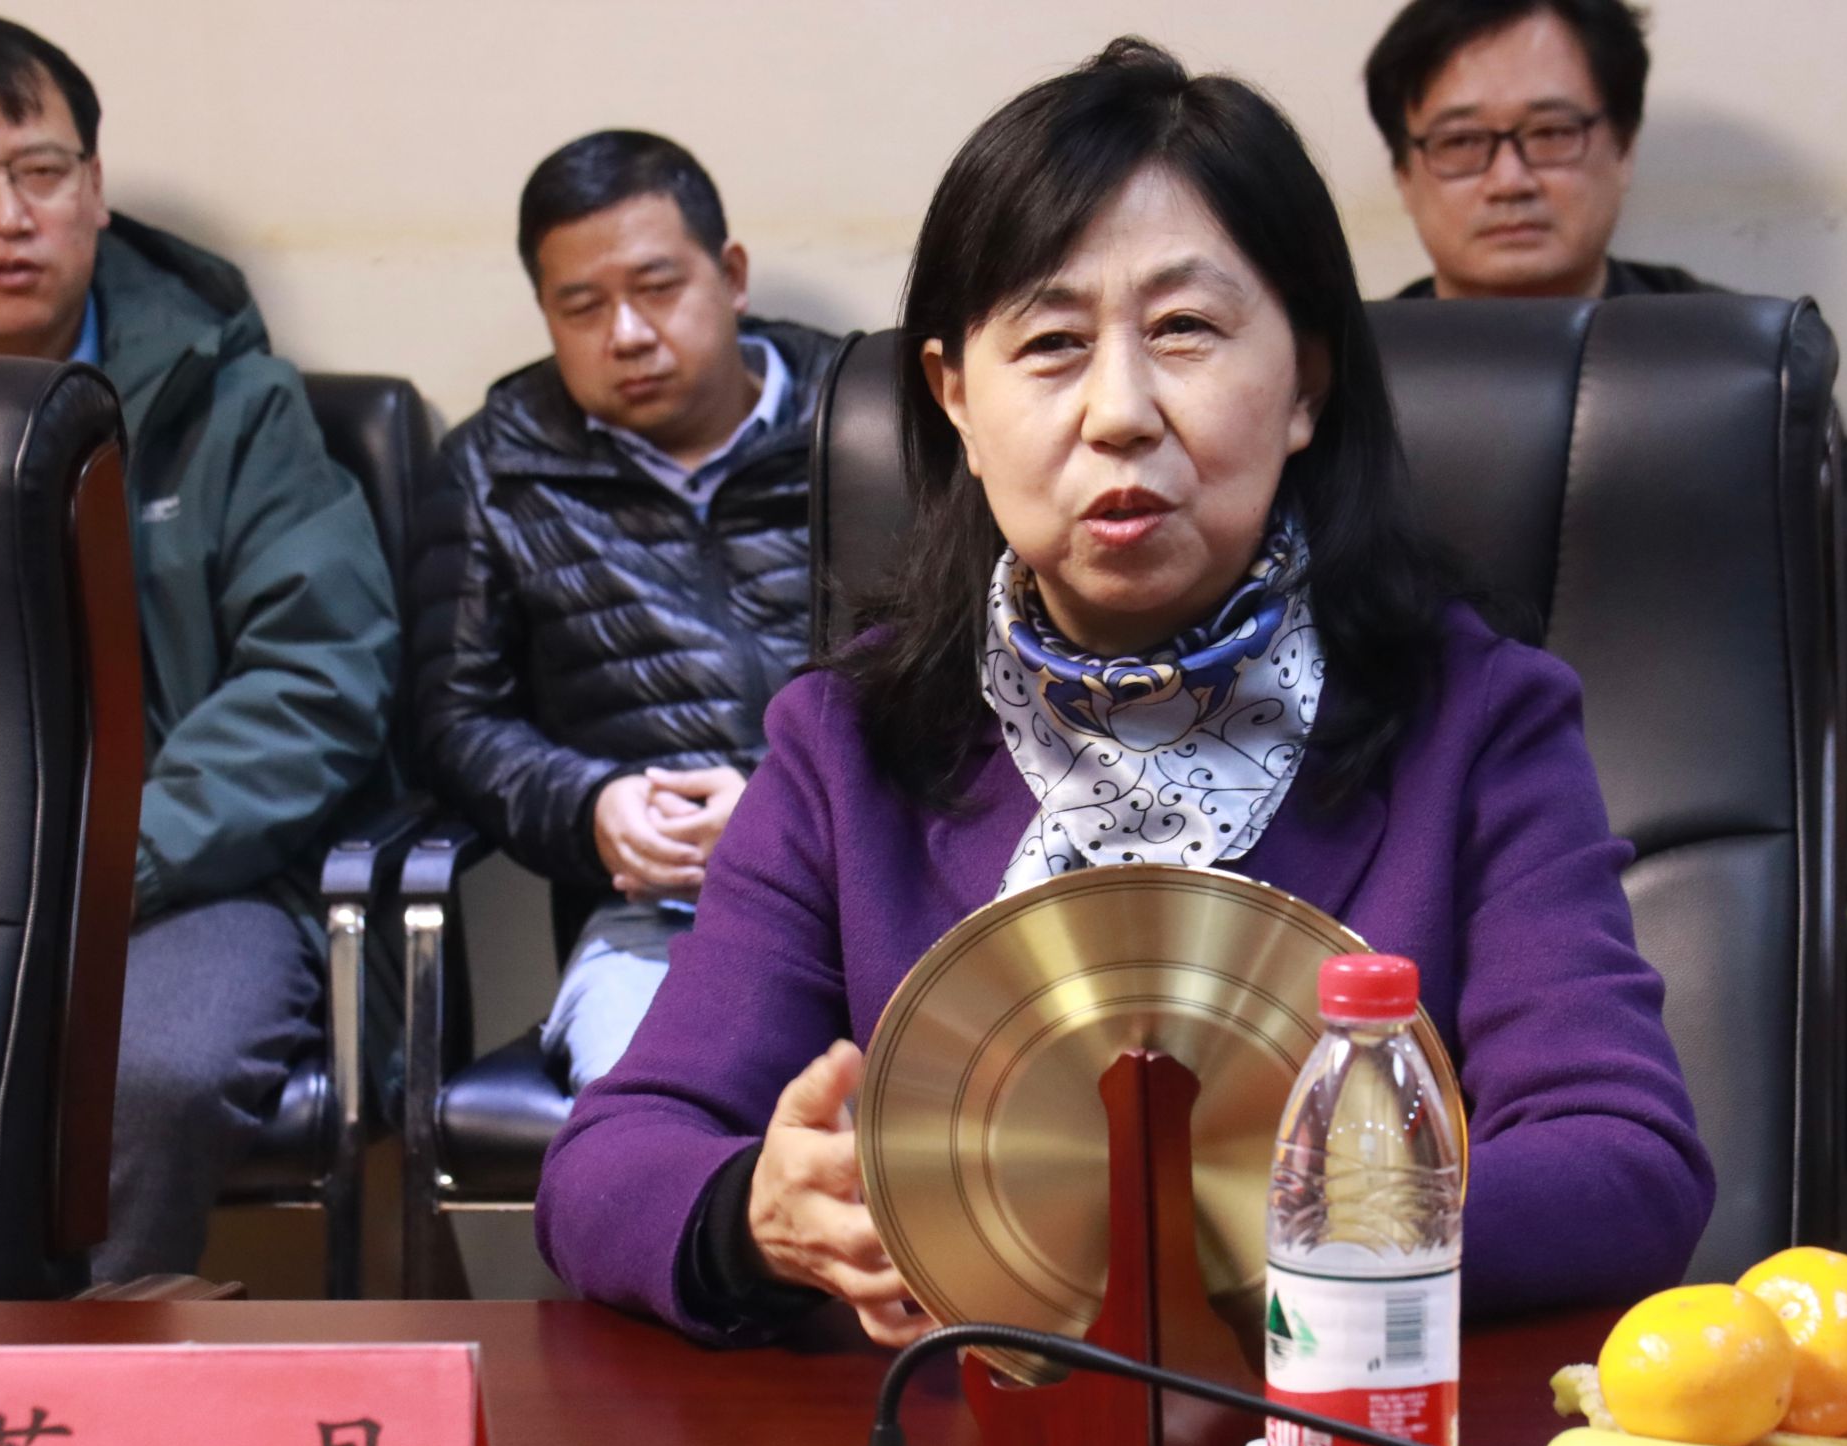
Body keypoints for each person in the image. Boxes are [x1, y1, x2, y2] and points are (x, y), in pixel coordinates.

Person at [536, 38, 1713, 1348]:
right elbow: (610, 1163)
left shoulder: (1476, 718)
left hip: (1339, 1435)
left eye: (1183, 330)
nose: (1119, 412)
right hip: (956, 1443)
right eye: (1049, 343)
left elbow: (1624, 1162)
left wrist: (1244, 1225)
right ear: (954, 400)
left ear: (1308, 380)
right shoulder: (847, 743)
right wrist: (755, 1214)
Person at [0, 12, 398, 1282]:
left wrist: (111, 861)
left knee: (142, 1074)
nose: (8, 215)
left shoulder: (231, 401)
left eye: (41, 171)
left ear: (96, 189)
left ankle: (74, 1393)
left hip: (186, 880)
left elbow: (317, 673)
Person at [1364, 0, 1847, 853]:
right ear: (1405, 171)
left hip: (1696, 845)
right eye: (1462, 143)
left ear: (1622, 146)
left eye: (1552, 133)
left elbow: (1843, 655)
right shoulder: (1338, 385)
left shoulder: (1747, 373)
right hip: (1409, 832)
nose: (1510, 180)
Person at [412, 131, 840, 1116]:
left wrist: (783, 812)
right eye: (583, 307)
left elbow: (965, 672)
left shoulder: (869, 425)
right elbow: (453, 720)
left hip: (882, 883)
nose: (628, 334)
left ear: (731, 276)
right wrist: (588, 805)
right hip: (661, 915)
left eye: (657, 288)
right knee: (659, 1120)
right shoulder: (494, 470)